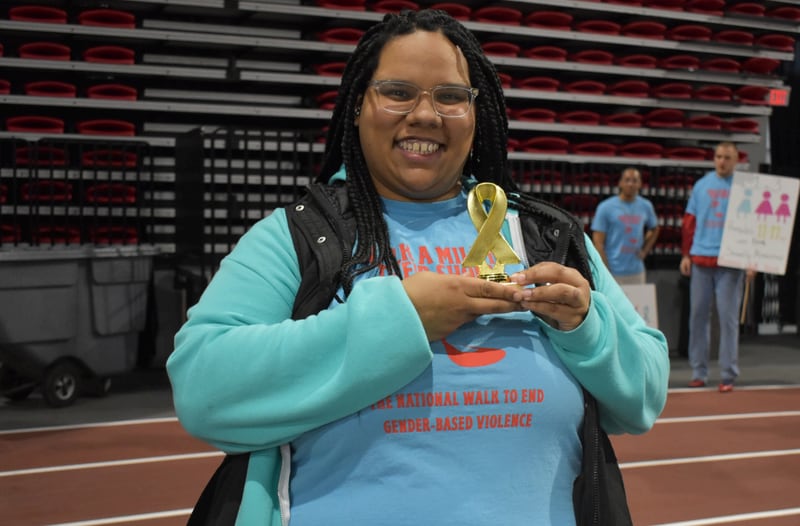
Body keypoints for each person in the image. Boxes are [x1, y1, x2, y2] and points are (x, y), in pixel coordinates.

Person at [167, 9, 669, 525]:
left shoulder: (545, 235)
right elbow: (204, 389)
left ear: (477, 115)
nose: (425, 115)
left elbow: (645, 396)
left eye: (450, 97)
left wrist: (587, 329)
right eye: (398, 92)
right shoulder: (297, 237)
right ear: (358, 106)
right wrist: (403, 319)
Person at [680, 141, 756, 393]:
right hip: (701, 258)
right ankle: (699, 371)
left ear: (736, 161)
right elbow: (690, 222)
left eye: (727, 157)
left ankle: (728, 373)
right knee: (698, 317)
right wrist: (686, 254)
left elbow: (752, 226)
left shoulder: (745, 187)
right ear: (714, 158)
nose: (722, 161)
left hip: (731, 261)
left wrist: (751, 259)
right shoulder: (702, 186)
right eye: (719, 156)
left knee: (728, 319)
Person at [591, 167, 660, 284]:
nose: (630, 184)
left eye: (634, 180)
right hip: (613, 271)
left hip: (637, 271)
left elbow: (655, 228)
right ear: (620, 183)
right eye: (627, 180)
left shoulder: (646, 206)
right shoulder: (606, 207)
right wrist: (605, 269)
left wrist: (645, 250)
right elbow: (598, 242)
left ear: (640, 184)